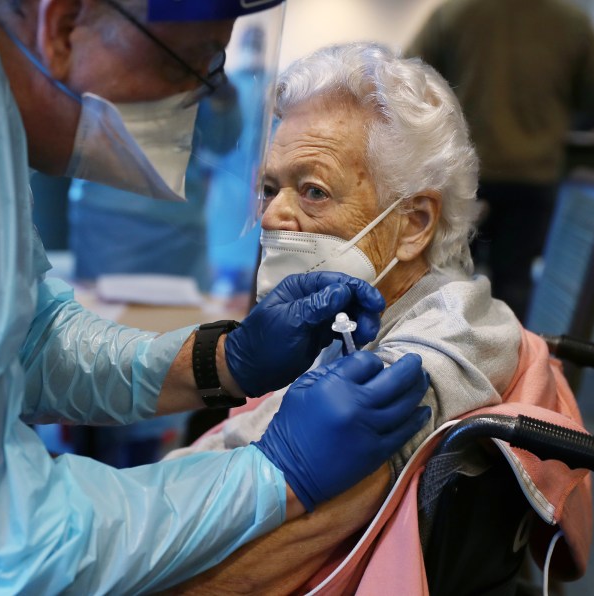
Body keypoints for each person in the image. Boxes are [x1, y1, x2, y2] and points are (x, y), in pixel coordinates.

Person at [0, 0, 433, 593]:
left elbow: (20, 336)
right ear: (61, 26)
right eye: (193, 67)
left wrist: (224, 361)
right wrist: (273, 474)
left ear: (419, 222)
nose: (195, 104)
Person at [163, 42, 526, 593]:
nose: (275, 215)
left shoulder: (449, 334)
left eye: (313, 191)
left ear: (412, 224)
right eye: (269, 188)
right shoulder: (350, 325)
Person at [406, 0, 594, 320]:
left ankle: (445, 359)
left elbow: (409, 76)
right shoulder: (570, 20)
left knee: (446, 279)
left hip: (464, 171)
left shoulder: (455, 13)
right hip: (534, 172)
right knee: (516, 283)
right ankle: (511, 364)